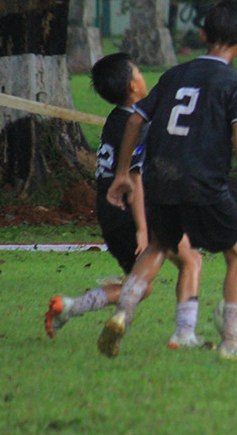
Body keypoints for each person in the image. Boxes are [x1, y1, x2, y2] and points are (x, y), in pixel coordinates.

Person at [100, 0, 237, 362]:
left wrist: (123, 174)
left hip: (159, 179)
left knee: (159, 244)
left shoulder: (174, 75)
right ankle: (232, 345)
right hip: (204, 181)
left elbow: (135, 121)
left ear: (203, 35)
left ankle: (121, 314)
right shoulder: (236, 84)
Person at [44, 53, 203, 348]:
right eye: (140, 71)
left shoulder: (115, 121)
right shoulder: (135, 123)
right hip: (134, 213)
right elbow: (135, 179)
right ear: (133, 86)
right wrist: (143, 228)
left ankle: (72, 307)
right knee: (191, 259)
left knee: (139, 286)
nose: (144, 76)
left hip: (109, 215)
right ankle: (184, 333)